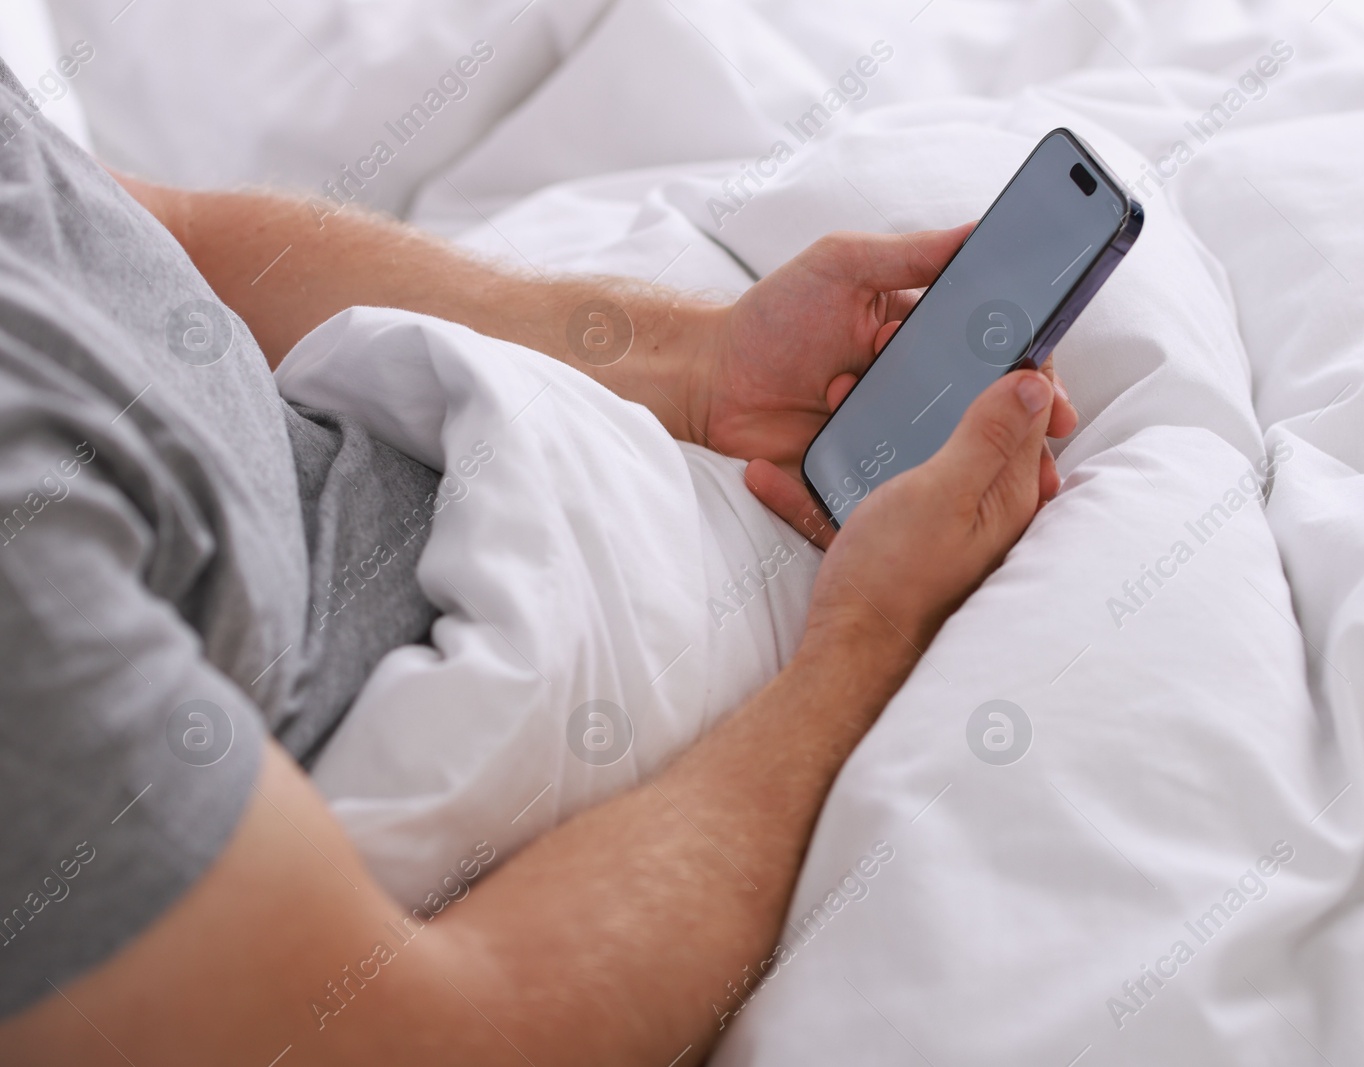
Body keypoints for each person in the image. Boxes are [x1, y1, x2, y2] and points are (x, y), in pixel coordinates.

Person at [0, 53, 1075, 1065]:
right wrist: (870, 643)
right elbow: (454, 1031)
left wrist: (694, 364)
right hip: (585, 782)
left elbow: (169, 235)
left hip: (578, 511)